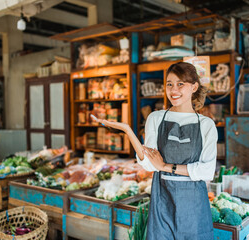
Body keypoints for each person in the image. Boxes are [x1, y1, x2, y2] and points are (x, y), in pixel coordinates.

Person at [92, 62, 217, 239]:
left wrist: (166, 166)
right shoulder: (156, 118)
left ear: (194, 86)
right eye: (169, 84)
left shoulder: (206, 125)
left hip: (194, 205)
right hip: (162, 201)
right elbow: (149, 165)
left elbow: (206, 170)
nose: (174, 90)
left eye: (180, 84)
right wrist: (128, 131)